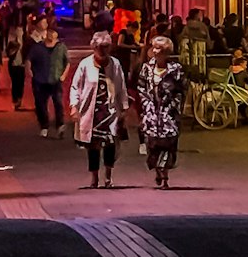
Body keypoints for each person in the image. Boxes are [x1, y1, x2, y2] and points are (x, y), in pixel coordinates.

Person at [69, 31, 129, 189]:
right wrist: (74, 106)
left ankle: (108, 177)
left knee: (110, 143)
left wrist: (124, 108)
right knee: (93, 146)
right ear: (94, 47)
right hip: (91, 111)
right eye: (100, 47)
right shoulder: (85, 65)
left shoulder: (115, 64)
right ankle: (94, 178)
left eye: (106, 47)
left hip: (109, 111)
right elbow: (76, 87)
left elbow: (121, 86)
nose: (103, 51)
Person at [137, 36, 186, 189]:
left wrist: (175, 105)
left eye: (160, 50)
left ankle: (165, 176)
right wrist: (146, 105)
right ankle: (157, 171)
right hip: (151, 114)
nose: (156, 52)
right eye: (155, 49)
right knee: (153, 146)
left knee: (168, 144)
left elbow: (182, 89)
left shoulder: (176, 69)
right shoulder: (147, 68)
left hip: (168, 113)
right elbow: (141, 88)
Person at [28, 27, 70, 138]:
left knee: (58, 102)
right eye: (49, 33)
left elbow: (67, 62)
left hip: (56, 79)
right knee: (41, 104)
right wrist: (31, 72)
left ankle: (60, 125)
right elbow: (29, 60)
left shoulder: (61, 47)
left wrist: (63, 76)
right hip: (40, 79)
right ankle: (44, 126)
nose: (51, 36)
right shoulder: (38, 47)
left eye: (53, 33)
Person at [5, 19, 30, 110]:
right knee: (15, 82)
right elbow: (8, 52)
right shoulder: (12, 42)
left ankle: (19, 99)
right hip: (13, 65)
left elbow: (28, 51)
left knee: (21, 83)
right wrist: (14, 50)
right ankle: (15, 100)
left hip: (21, 65)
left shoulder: (25, 42)